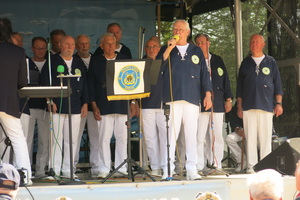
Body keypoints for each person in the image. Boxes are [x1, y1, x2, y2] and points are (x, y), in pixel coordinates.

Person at [157, 19, 212, 180]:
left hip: (192, 98)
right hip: (172, 99)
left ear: (188, 32)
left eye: (181, 29)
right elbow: (159, 66)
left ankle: (191, 169)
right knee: (170, 136)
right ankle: (168, 169)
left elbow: (204, 74)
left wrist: (207, 94)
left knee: (191, 135)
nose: (177, 32)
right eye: (175, 29)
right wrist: (169, 49)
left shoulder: (196, 50)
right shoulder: (166, 49)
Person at [88, 33, 137, 178]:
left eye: (113, 43)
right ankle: (104, 169)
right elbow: (91, 85)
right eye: (107, 43)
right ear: (101, 46)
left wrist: (133, 102)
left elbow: (133, 82)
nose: (110, 46)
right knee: (104, 138)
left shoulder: (124, 60)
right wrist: (94, 105)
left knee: (122, 137)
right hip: (103, 104)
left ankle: (121, 168)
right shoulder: (96, 61)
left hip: (122, 104)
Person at [40, 35, 89, 178]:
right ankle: (54, 170)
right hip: (57, 105)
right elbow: (44, 82)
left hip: (75, 106)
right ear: (60, 45)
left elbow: (85, 84)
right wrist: (49, 100)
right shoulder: (52, 61)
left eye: (72, 44)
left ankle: (69, 171)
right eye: (66, 44)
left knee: (72, 140)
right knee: (56, 139)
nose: (70, 47)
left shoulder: (78, 62)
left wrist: (85, 103)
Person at [236, 34, 283, 173]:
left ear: (263, 44)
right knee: (250, 137)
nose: (254, 44)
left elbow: (277, 84)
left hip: (267, 105)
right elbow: (239, 87)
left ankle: (265, 166)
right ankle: (252, 166)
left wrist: (278, 103)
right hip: (248, 106)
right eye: (251, 42)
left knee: (265, 138)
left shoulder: (271, 61)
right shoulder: (245, 62)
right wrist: (239, 105)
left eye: (257, 42)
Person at [0, 17, 32, 185]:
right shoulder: (18, 52)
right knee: (18, 139)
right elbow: (22, 83)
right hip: (7, 102)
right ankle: (25, 178)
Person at [195, 33, 233, 171]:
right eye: (198, 43)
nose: (200, 45)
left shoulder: (217, 60)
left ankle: (216, 163)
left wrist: (228, 99)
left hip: (217, 103)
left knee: (217, 135)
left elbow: (225, 80)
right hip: (201, 102)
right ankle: (200, 164)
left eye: (203, 42)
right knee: (200, 136)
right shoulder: (194, 60)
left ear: (208, 43)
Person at [74, 34, 99, 178]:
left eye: (86, 43)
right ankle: (72, 168)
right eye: (81, 44)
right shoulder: (74, 60)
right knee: (75, 138)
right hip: (79, 105)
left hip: (95, 105)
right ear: (77, 45)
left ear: (90, 45)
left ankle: (96, 169)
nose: (84, 46)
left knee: (96, 138)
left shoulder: (96, 59)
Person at [140, 36, 165, 177]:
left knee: (164, 137)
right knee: (150, 138)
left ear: (159, 48)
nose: (151, 49)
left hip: (163, 104)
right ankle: (155, 167)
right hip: (146, 104)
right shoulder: (141, 63)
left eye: (154, 46)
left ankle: (165, 166)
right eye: (148, 47)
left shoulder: (165, 61)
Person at [27, 36, 50, 178]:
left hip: (46, 108)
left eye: (43, 48)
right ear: (32, 48)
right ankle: (26, 170)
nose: (40, 51)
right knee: (27, 140)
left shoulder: (51, 63)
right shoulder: (26, 63)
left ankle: (41, 171)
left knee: (44, 140)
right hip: (28, 107)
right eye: (37, 47)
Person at [225, 103, 246, 172]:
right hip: (241, 132)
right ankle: (242, 161)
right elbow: (233, 122)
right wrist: (238, 130)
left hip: (253, 132)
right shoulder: (236, 108)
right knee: (229, 138)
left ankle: (254, 163)